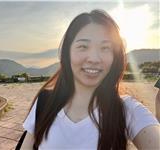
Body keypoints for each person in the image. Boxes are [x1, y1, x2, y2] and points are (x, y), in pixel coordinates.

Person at [21, 9, 160, 150]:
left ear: (114, 56)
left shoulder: (127, 110)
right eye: (83, 46)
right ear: (67, 52)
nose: (94, 58)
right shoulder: (45, 103)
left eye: (105, 48)